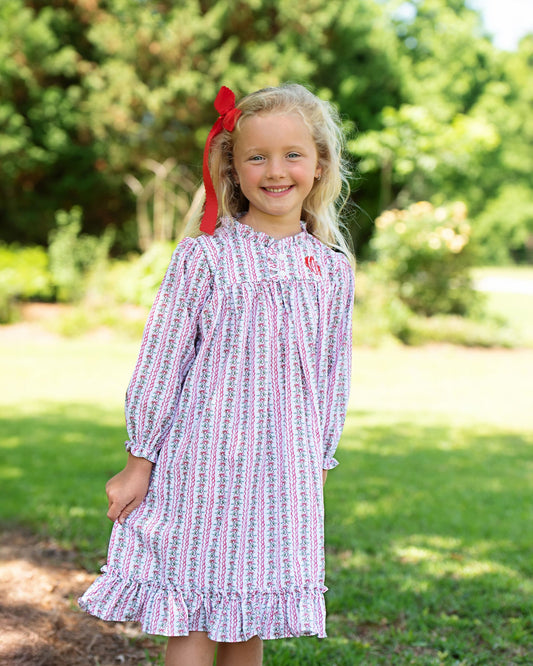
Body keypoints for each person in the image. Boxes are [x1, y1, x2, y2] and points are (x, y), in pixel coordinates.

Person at [79, 83, 355, 666]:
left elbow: (333, 376)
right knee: (195, 613)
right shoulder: (205, 258)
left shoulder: (332, 271)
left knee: (247, 615)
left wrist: (320, 461)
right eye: (257, 156)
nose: (275, 171)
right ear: (233, 165)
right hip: (202, 466)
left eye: (292, 155)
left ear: (320, 164)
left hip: (282, 472)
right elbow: (161, 363)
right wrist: (138, 462)